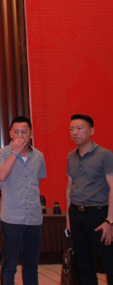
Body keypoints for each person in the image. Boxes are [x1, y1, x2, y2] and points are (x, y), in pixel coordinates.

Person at [0, 116, 46, 285]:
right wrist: (15, 153)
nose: (20, 136)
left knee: (31, 265)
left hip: (34, 217)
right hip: (12, 217)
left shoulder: (38, 156)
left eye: (24, 132)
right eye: (16, 132)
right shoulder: (2, 153)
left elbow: (37, 181)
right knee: (9, 265)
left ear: (31, 134)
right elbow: (2, 175)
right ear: (10, 134)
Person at [66, 114, 113, 285]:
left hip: (99, 215)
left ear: (91, 131)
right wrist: (68, 219)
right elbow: (69, 187)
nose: (75, 132)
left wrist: (110, 221)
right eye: (71, 129)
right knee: (83, 263)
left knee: (109, 262)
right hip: (76, 214)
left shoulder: (105, 155)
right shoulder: (71, 156)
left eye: (79, 128)